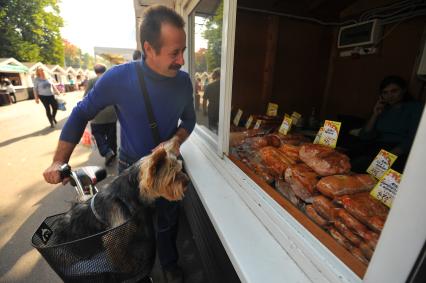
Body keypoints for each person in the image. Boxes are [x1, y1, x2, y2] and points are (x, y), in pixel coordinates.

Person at [43, 5, 195, 283]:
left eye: (183, 50)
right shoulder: (119, 78)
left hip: (167, 170)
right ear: (149, 49)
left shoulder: (184, 83)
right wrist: (58, 160)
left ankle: (169, 264)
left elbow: (189, 121)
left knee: (167, 223)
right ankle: (140, 271)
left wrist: (175, 139)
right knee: (130, 229)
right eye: (175, 52)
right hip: (129, 173)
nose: (182, 60)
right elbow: (80, 113)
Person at [351, 75, 424, 172]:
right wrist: (375, 114)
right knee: (345, 159)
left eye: (394, 91)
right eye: (385, 93)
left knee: (360, 165)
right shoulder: (383, 108)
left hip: (398, 151)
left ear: (404, 90)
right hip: (375, 147)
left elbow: (413, 138)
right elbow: (364, 135)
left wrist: (386, 158)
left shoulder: (415, 108)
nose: (390, 96)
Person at [84, 64, 118, 166]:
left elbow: (86, 97)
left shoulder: (91, 81)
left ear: (95, 71)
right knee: (111, 135)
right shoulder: (111, 80)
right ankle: (113, 153)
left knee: (98, 134)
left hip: (97, 113)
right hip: (112, 113)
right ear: (105, 70)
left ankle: (107, 152)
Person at [203, 68, 220, 132]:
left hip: (212, 110)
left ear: (215, 75)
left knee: (212, 129)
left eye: (213, 73)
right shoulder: (225, 86)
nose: (212, 75)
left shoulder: (210, 86)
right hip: (222, 111)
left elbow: (204, 100)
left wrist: (204, 110)